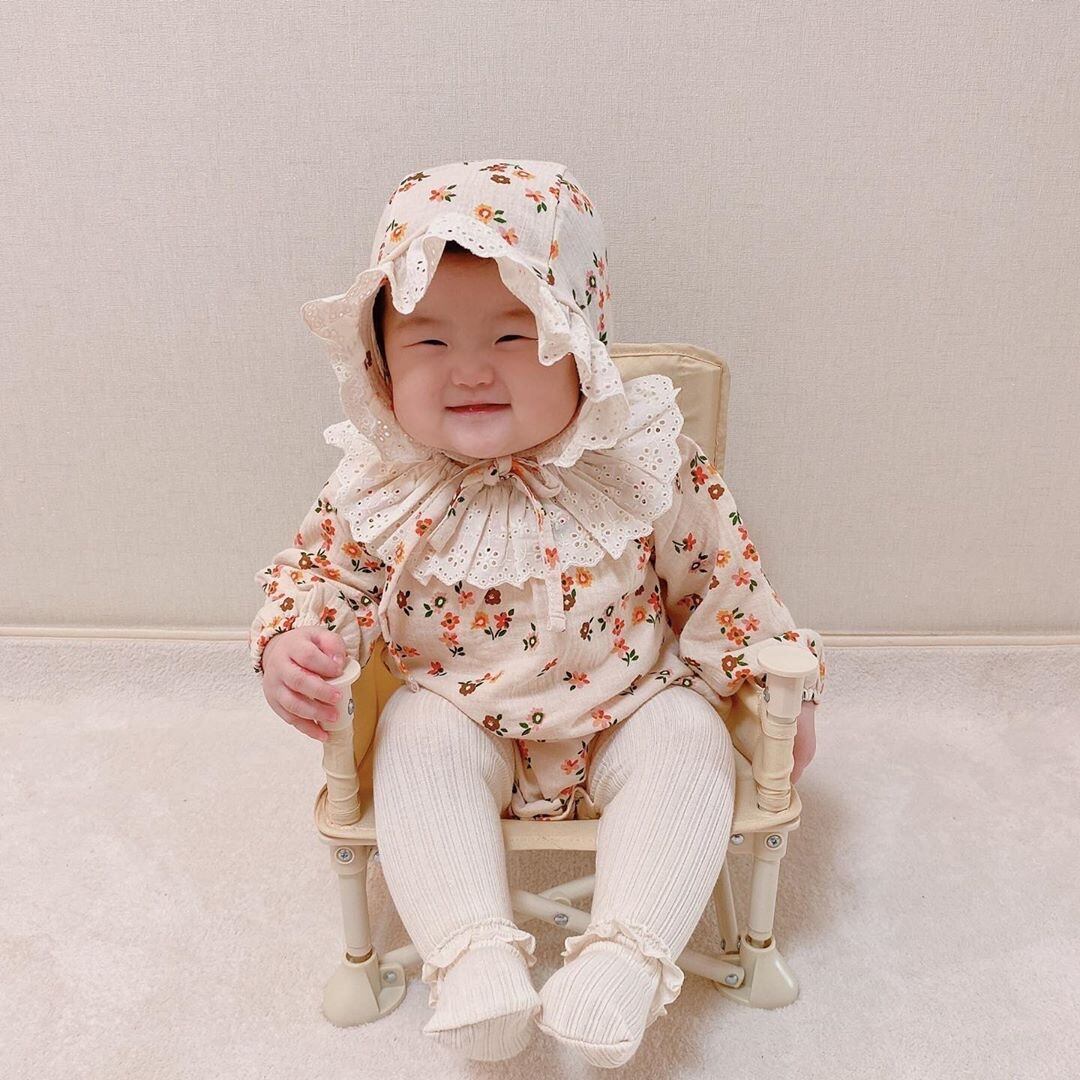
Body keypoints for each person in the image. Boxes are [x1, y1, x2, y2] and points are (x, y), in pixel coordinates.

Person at [249, 159, 826, 1067]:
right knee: (415, 738)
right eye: (428, 342)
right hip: (459, 710)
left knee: (689, 739)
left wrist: (769, 673)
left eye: (515, 336)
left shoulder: (641, 462)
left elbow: (723, 579)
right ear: (382, 366)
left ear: (582, 347)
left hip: (628, 706)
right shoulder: (381, 482)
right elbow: (321, 578)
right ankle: (472, 956)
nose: (471, 369)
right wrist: (295, 642)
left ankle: (625, 959)